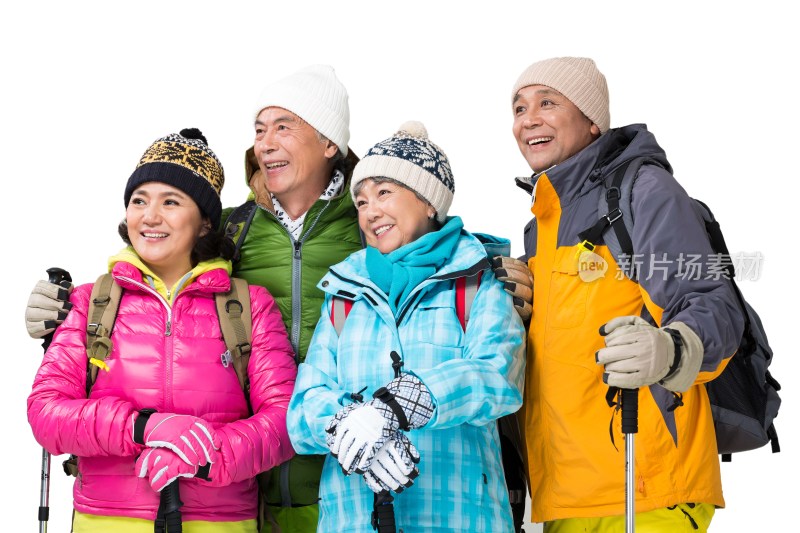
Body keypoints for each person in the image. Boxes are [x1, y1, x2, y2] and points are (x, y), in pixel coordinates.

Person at [510, 57, 744, 531]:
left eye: (547, 103)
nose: (527, 119)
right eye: (518, 108)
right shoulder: (540, 227)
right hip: (564, 499)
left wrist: (670, 349)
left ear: (592, 121)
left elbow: (714, 303)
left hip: (646, 487)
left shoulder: (644, 190)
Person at [27, 128, 298, 533]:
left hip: (221, 523)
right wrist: (142, 426)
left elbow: (286, 421)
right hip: (105, 521)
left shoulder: (247, 306)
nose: (150, 217)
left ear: (206, 222)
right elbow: (45, 413)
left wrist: (207, 455)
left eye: (171, 202)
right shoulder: (93, 301)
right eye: (139, 201)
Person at [287, 120, 526, 533]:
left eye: (384, 193)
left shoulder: (477, 280)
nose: (370, 211)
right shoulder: (344, 293)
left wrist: (397, 407)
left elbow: (497, 377)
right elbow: (304, 407)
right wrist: (351, 427)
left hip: (458, 517)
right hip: (353, 519)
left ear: (429, 202)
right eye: (360, 201)